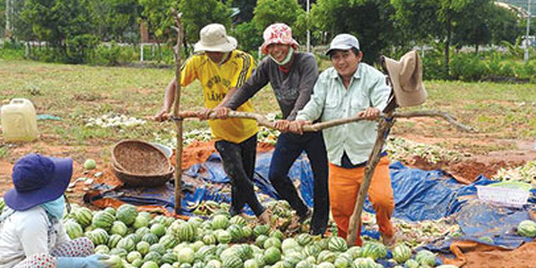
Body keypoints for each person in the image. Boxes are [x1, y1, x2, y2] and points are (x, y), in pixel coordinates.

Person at [215, 23, 329, 235]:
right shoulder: (269, 65)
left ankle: (318, 228)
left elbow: (307, 92)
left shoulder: (307, 61)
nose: (277, 50)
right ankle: (302, 210)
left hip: (315, 129)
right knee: (276, 174)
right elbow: (249, 87)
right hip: (290, 127)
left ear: (290, 45)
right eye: (272, 46)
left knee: (320, 178)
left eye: (281, 45)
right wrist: (227, 107)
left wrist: (295, 119)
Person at [154, 23, 269, 223]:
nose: (212, 54)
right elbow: (174, 84)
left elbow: (237, 90)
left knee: (245, 177)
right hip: (221, 131)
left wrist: (221, 107)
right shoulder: (198, 60)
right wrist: (166, 108)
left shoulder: (243, 60)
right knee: (235, 172)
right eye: (209, 51)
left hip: (246, 129)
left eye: (216, 51)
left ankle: (236, 211)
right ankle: (260, 212)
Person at [288, 34, 395, 245]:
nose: (340, 62)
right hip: (338, 157)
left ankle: (387, 232)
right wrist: (302, 118)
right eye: (335, 57)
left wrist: (377, 110)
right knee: (340, 210)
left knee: (383, 201)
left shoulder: (372, 77)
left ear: (358, 56)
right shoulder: (326, 79)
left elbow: (386, 102)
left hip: (370, 157)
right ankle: (351, 244)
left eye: (345, 55)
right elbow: (315, 104)